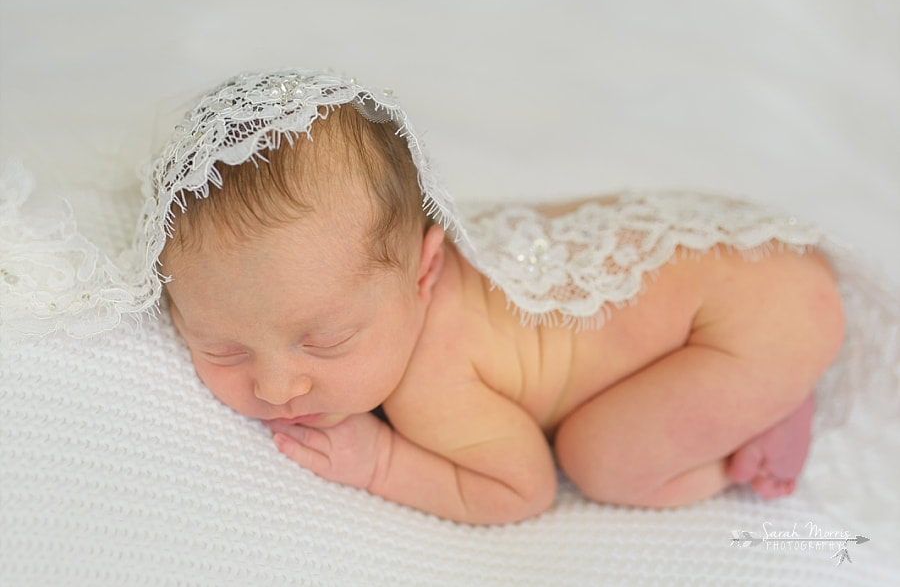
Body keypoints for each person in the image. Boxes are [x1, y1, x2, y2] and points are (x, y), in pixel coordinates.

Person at [156, 70, 844, 525]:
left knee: (599, 460)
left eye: (326, 338)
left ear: (427, 270)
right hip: (752, 261)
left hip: (751, 325)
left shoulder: (432, 383)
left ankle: (752, 435)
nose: (277, 386)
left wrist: (382, 461)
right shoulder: (383, 265)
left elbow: (521, 488)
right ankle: (758, 390)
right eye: (221, 347)